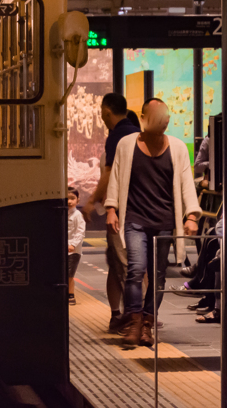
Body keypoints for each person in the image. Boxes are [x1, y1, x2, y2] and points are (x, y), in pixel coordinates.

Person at [105, 98, 201, 348]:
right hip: (134, 218)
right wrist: (112, 208)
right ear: (145, 117)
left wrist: (191, 215)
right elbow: (115, 175)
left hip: (163, 221)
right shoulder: (127, 144)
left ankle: (147, 323)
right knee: (136, 270)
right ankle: (134, 321)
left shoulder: (178, 148)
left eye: (165, 115)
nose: (163, 119)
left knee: (157, 277)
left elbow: (186, 183)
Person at [82, 93, 141, 333]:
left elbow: (108, 175)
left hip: (121, 211)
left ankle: (134, 319)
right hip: (140, 208)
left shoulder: (117, 135)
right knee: (123, 263)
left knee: (126, 264)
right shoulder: (139, 134)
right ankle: (126, 316)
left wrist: (93, 200)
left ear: (107, 111)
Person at [67, 187, 86, 306]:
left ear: (77, 200)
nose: (69, 201)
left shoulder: (78, 215)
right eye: (67, 198)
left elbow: (80, 231)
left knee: (69, 274)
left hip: (73, 251)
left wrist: (73, 244)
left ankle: (71, 295)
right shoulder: (62, 213)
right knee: (63, 274)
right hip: (63, 249)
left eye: (72, 198)